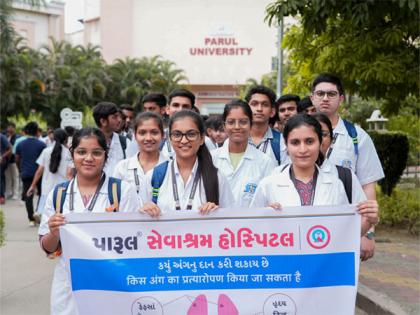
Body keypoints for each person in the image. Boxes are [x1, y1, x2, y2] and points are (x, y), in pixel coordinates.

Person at [38, 127, 140, 315]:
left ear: (106, 155)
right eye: (81, 152)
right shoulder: (59, 194)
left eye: (96, 153)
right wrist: (54, 232)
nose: (89, 158)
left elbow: (136, 243)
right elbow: (47, 248)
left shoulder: (122, 191)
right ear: (72, 154)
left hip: (111, 281)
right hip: (69, 283)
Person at [250, 114, 379, 236]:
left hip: (325, 259)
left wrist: (368, 221)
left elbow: (345, 237)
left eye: (309, 141)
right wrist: (264, 218)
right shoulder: (268, 184)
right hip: (284, 258)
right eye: (295, 142)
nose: (303, 149)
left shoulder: (336, 184)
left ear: (320, 142)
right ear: (286, 145)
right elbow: (251, 231)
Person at [310, 73, 384, 260]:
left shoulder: (357, 137)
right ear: (312, 97)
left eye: (331, 94)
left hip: (345, 228)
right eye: (320, 93)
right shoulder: (296, 135)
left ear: (341, 99)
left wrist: (368, 233)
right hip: (302, 227)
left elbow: (367, 185)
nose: (325, 98)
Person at [140, 110, 233, 216]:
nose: (184, 140)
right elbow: (139, 223)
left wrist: (217, 212)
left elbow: (230, 220)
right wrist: (145, 210)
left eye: (191, 134)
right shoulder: (154, 176)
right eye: (177, 134)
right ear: (170, 139)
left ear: (202, 139)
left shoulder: (217, 177)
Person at [211, 100, 276, 207]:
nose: (237, 127)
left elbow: (270, 199)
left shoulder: (265, 162)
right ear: (224, 126)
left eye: (243, 122)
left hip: (252, 223)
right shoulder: (211, 158)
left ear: (251, 125)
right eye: (231, 122)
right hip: (218, 223)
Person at [113, 112, 168, 202]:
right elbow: (114, 202)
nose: (148, 138)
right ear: (135, 136)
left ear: (163, 135)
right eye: (142, 133)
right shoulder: (122, 168)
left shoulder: (171, 167)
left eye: (154, 132)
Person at [26, 129, 72, 221]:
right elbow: (69, 174)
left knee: (46, 217)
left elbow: (39, 171)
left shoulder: (46, 151)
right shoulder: (69, 153)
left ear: (54, 137)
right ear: (66, 138)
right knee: (61, 216)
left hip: (47, 189)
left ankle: (40, 216)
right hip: (63, 189)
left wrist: (32, 186)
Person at [245, 85, 288, 165]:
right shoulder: (237, 139)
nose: (259, 109)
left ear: (272, 112)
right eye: (254, 104)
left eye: (265, 104)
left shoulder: (282, 141)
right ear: (246, 109)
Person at [15, 122, 46, 226]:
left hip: (26, 173)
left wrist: (20, 169)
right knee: (41, 194)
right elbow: (44, 161)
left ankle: (31, 219)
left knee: (28, 195)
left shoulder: (20, 144)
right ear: (37, 131)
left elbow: (17, 158)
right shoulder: (42, 144)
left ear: (26, 131)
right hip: (40, 174)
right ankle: (38, 213)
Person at [92, 102, 132, 174]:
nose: (119, 120)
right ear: (103, 121)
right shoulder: (88, 141)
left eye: (119, 116)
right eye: (115, 117)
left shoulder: (124, 142)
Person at [161, 89, 195, 160]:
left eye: (185, 106)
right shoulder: (158, 137)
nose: (180, 110)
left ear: (192, 111)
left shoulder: (203, 140)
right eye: (176, 105)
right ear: (167, 109)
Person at [5, 123, 20, 200]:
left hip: (14, 160)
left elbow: (14, 148)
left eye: (10, 127)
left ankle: (16, 193)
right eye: (8, 127)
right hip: (7, 160)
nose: (9, 129)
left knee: (15, 177)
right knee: (8, 177)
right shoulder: (6, 136)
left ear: (14, 128)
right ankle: (8, 192)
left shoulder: (17, 137)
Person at [0, 134, 12, 205]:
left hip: (1, 162)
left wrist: (2, 156)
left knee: (0, 179)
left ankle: (1, 197)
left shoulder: (1, 137)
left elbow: (10, 149)